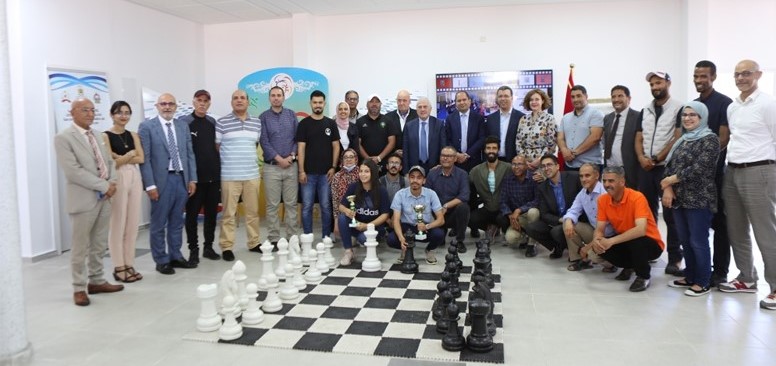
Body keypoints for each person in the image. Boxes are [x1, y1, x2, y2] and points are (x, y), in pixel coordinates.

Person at [719, 59, 776, 311]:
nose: (741, 78)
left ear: (758, 75)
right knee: (736, 229)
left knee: (765, 232)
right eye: (737, 74)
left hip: (760, 170)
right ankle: (746, 278)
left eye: (746, 73)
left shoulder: (767, 104)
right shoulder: (733, 107)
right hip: (733, 170)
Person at [55, 98, 124, 305]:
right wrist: (103, 186)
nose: (90, 114)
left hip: (105, 199)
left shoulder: (98, 136)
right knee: (80, 246)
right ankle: (79, 287)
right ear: (72, 112)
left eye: (93, 110)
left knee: (99, 244)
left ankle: (96, 281)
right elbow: (73, 171)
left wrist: (112, 183)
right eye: (85, 110)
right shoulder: (63, 138)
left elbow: (109, 161)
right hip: (83, 200)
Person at [661, 102, 719, 296]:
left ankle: (703, 281)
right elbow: (668, 165)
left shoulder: (710, 139)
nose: (687, 118)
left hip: (699, 198)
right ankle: (690, 275)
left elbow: (701, 167)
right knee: (685, 240)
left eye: (693, 115)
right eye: (685, 115)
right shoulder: (682, 140)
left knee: (698, 241)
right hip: (679, 198)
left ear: (702, 117)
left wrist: (673, 179)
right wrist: (668, 187)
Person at [138, 93, 197, 275]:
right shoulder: (147, 127)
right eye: (163, 104)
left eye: (171, 104)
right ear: (157, 106)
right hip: (160, 181)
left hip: (181, 179)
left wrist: (192, 178)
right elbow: (145, 159)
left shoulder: (182, 126)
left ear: (176, 106)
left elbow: (189, 154)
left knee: (177, 221)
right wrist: (149, 185)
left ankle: (175, 256)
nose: (167, 107)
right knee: (158, 223)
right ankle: (161, 259)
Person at [585, 166, 665, 292]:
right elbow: (599, 228)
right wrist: (597, 239)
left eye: (611, 181)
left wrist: (611, 241)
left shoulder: (637, 197)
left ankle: (643, 276)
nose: (606, 185)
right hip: (627, 242)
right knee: (602, 247)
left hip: (650, 243)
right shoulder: (602, 200)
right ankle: (631, 266)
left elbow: (641, 230)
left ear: (622, 182)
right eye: (604, 181)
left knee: (636, 240)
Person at [635, 71, 683, 276]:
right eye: (652, 84)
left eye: (659, 82)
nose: (655, 86)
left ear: (668, 83)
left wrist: (657, 158)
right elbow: (638, 138)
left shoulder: (679, 108)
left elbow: (677, 136)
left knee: (671, 215)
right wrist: (642, 159)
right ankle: (651, 250)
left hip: (666, 167)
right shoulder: (645, 110)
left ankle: (674, 258)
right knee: (646, 212)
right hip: (645, 168)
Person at [692, 60, 733, 287]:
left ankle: (720, 271)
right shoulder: (693, 106)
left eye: (703, 76)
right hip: (694, 178)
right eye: (696, 76)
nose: (699, 80)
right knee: (697, 225)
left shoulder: (724, 103)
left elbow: (723, 138)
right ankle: (699, 269)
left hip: (715, 174)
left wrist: (703, 162)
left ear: (713, 77)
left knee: (719, 224)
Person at [215, 90, 262, 261]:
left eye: (242, 98)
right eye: (236, 98)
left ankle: (254, 242)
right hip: (229, 176)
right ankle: (227, 246)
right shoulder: (222, 123)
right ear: (231, 102)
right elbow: (217, 147)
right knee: (229, 214)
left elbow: (255, 144)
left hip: (251, 175)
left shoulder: (256, 123)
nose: (239, 101)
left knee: (253, 212)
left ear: (248, 102)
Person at [102, 101, 144, 282]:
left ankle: (129, 263)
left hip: (134, 176)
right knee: (118, 223)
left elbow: (141, 158)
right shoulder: (105, 136)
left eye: (127, 112)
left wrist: (121, 157)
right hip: (117, 177)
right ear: (112, 114)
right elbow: (112, 163)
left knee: (132, 223)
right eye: (119, 113)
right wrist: (128, 156)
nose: (123, 116)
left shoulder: (133, 135)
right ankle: (118, 266)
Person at [180, 90, 221, 264]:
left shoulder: (212, 122)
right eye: (199, 100)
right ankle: (193, 250)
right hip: (195, 180)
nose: (202, 103)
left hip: (213, 178)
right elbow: (183, 153)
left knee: (211, 215)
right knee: (192, 216)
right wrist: (190, 178)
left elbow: (216, 148)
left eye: (206, 101)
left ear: (209, 103)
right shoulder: (184, 123)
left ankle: (208, 247)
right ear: (194, 102)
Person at [297, 90, 340, 240]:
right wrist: (301, 171)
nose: (317, 105)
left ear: (324, 103)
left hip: (326, 174)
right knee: (307, 206)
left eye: (320, 102)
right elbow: (300, 148)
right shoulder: (303, 124)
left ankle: (326, 237)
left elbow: (336, 146)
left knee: (326, 207)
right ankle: (307, 237)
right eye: (315, 102)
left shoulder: (331, 123)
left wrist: (333, 167)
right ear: (310, 103)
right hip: (308, 174)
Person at [259, 86, 299, 246]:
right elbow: (264, 141)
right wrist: (278, 159)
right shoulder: (263, 117)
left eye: (279, 95)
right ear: (269, 98)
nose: (276, 98)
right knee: (272, 205)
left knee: (291, 204)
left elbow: (298, 139)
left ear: (284, 97)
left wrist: (291, 156)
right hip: (271, 167)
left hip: (291, 166)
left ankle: (292, 237)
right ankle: (274, 238)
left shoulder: (291, 115)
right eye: (273, 95)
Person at [523, 154, 581, 258]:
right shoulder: (542, 187)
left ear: (558, 166)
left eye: (549, 165)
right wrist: (562, 220)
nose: (546, 168)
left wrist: (571, 219)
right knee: (531, 228)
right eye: (543, 166)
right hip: (559, 220)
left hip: (576, 219)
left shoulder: (574, 177)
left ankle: (575, 249)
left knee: (556, 232)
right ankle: (557, 246)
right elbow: (544, 214)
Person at [562, 163, 616, 272]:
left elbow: (607, 229)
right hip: (595, 232)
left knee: (593, 255)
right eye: (581, 176)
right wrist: (568, 220)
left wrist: (587, 247)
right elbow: (573, 210)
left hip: (610, 237)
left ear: (596, 175)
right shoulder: (583, 193)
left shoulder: (605, 193)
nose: (583, 179)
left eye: (587, 175)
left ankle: (612, 264)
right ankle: (580, 260)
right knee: (568, 224)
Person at [387, 166, 445, 264]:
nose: (415, 180)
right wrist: (401, 238)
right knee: (391, 239)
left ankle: (429, 250)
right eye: (412, 177)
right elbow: (396, 220)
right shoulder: (400, 194)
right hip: (407, 228)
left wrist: (427, 226)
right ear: (408, 179)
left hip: (425, 227)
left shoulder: (431, 194)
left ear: (424, 180)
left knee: (439, 234)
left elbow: (441, 220)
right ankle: (405, 249)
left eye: (419, 178)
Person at [337, 159, 390, 266]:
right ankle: (348, 252)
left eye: (366, 171)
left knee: (363, 238)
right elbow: (341, 206)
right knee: (342, 218)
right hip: (357, 224)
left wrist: (367, 226)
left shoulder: (381, 190)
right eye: (361, 171)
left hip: (374, 227)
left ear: (373, 173)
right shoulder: (353, 186)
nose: (363, 174)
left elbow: (385, 215)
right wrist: (347, 211)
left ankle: (367, 244)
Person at [425, 146, 470, 253]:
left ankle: (459, 240)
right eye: (443, 155)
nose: (445, 158)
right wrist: (438, 209)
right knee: (438, 239)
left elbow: (464, 196)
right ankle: (441, 231)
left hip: (453, 212)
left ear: (455, 159)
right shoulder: (432, 173)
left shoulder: (462, 174)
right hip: (436, 213)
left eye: (449, 156)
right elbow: (427, 195)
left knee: (463, 207)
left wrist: (446, 206)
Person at [469, 136, 511, 242]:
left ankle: (504, 229)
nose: (491, 151)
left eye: (494, 148)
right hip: (487, 208)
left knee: (502, 219)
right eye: (488, 148)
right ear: (484, 150)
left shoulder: (509, 168)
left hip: (504, 210)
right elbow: (465, 184)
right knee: (470, 219)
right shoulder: (476, 171)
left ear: (498, 150)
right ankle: (491, 227)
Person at [557, 85, 604, 171]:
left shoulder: (596, 114)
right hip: (569, 165)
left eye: (579, 96)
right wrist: (564, 150)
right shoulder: (565, 117)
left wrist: (575, 153)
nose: (575, 99)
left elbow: (595, 137)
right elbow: (560, 137)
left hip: (591, 166)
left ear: (586, 96)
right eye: (573, 97)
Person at [499, 154, 540, 250]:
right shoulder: (507, 180)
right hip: (517, 217)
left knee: (533, 212)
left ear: (526, 166)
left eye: (520, 164)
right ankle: (524, 239)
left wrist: (519, 210)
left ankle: (532, 243)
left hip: (532, 215)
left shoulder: (534, 179)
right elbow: (502, 201)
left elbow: (537, 200)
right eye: (514, 164)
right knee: (510, 238)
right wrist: (510, 216)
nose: (516, 167)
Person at [603, 85, 640, 189]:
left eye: (620, 96)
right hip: (610, 168)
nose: (616, 99)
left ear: (628, 98)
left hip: (629, 169)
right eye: (613, 97)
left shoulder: (638, 116)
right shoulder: (607, 118)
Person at [515, 89, 557, 171]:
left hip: (543, 164)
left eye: (537, 99)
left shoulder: (549, 118)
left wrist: (539, 161)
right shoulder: (523, 119)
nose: (534, 102)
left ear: (543, 101)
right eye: (531, 100)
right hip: (525, 164)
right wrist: (524, 161)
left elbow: (551, 144)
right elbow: (518, 142)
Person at [445, 90, 486, 172]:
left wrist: (467, 155)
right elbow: (447, 139)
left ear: (469, 101)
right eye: (459, 101)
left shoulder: (479, 118)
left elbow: (482, 139)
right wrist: (456, 154)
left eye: (464, 100)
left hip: (474, 161)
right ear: (455, 103)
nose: (462, 102)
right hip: (455, 161)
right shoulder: (450, 119)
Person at [403, 97, 446, 173]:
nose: (422, 109)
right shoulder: (409, 126)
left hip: (435, 168)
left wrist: (441, 166)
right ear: (416, 110)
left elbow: (443, 147)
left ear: (430, 109)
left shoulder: (439, 124)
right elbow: (405, 151)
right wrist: (406, 172)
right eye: (419, 107)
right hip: (414, 168)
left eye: (425, 107)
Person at [357, 94, 398, 169]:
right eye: (371, 102)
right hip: (365, 164)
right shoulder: (359, 122)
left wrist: (379, 158)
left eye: (377, 102)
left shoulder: (388, 121)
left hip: (384, 163)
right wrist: (368, 159)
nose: (374, 104)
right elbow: (357, 143)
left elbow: (392, 142)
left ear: (380, 104)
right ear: (367, 104)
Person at [485, 86, 525, 161]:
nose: (503, 99)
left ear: (512, 98)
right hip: (494, 161)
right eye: (500, 96)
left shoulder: (521, 117)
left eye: (506, 96)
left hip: (514, 162)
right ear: (497, 98)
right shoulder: (490, 118)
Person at [331, 148, 360, 240]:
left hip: (361, 212)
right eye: (345, 157)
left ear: (356, 159)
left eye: (351, 157)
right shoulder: (337, 177)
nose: (348, 159)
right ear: (342, 160)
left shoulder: (362, 174)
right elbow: (335, 201)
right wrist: (336, 223)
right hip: (343, 212)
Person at [384, 89, 418, 156]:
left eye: (404, 100)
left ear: (409, 102)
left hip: (413, 155)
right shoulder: (388, 117)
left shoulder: (417, 116)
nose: (401, 103)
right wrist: (394, 152)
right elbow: (385, 138)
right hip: (393, 156)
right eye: (399, 100)